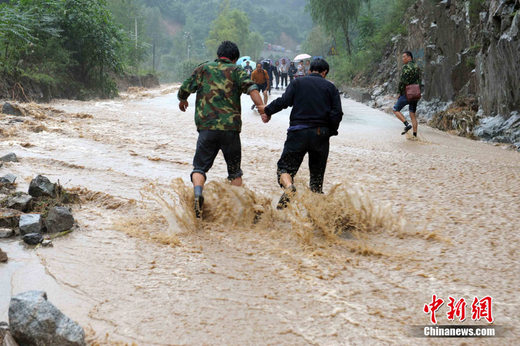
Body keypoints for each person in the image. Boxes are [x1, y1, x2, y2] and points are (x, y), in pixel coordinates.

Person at [177, 41, 264, 217]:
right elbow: (252, 87)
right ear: (234, 58)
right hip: (230, 130)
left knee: (199, 168)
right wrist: (262, 108)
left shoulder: (203, 69)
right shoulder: (237, 70)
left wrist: (183, 99)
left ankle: (198, 193)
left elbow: (184, 88)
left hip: (207, 128)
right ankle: (239, 211)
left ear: (218, 54)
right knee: (234, 172)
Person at [257, 58, 343, 209]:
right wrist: (329, 132)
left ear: (309, 70)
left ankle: (289, 187)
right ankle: (317, 220)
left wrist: (267, 111)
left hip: (298, 133)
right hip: (320, 135)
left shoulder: (298, 83)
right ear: (325, 73)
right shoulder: (331, 88)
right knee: (316, 182)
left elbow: (284, 101)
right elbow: (337, 114)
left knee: (284, 169)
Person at [393, 50, 422, 137]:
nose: (403, 59)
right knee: (412, 114)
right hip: (416, 93)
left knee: (395, 109)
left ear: (409, 57)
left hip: (407, 93)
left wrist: (399, 92)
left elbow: (403, 82)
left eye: (404, 57)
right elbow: (419, 80)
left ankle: (407, 124)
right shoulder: (417, 67)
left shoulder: (406, 67)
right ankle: (415, 135)